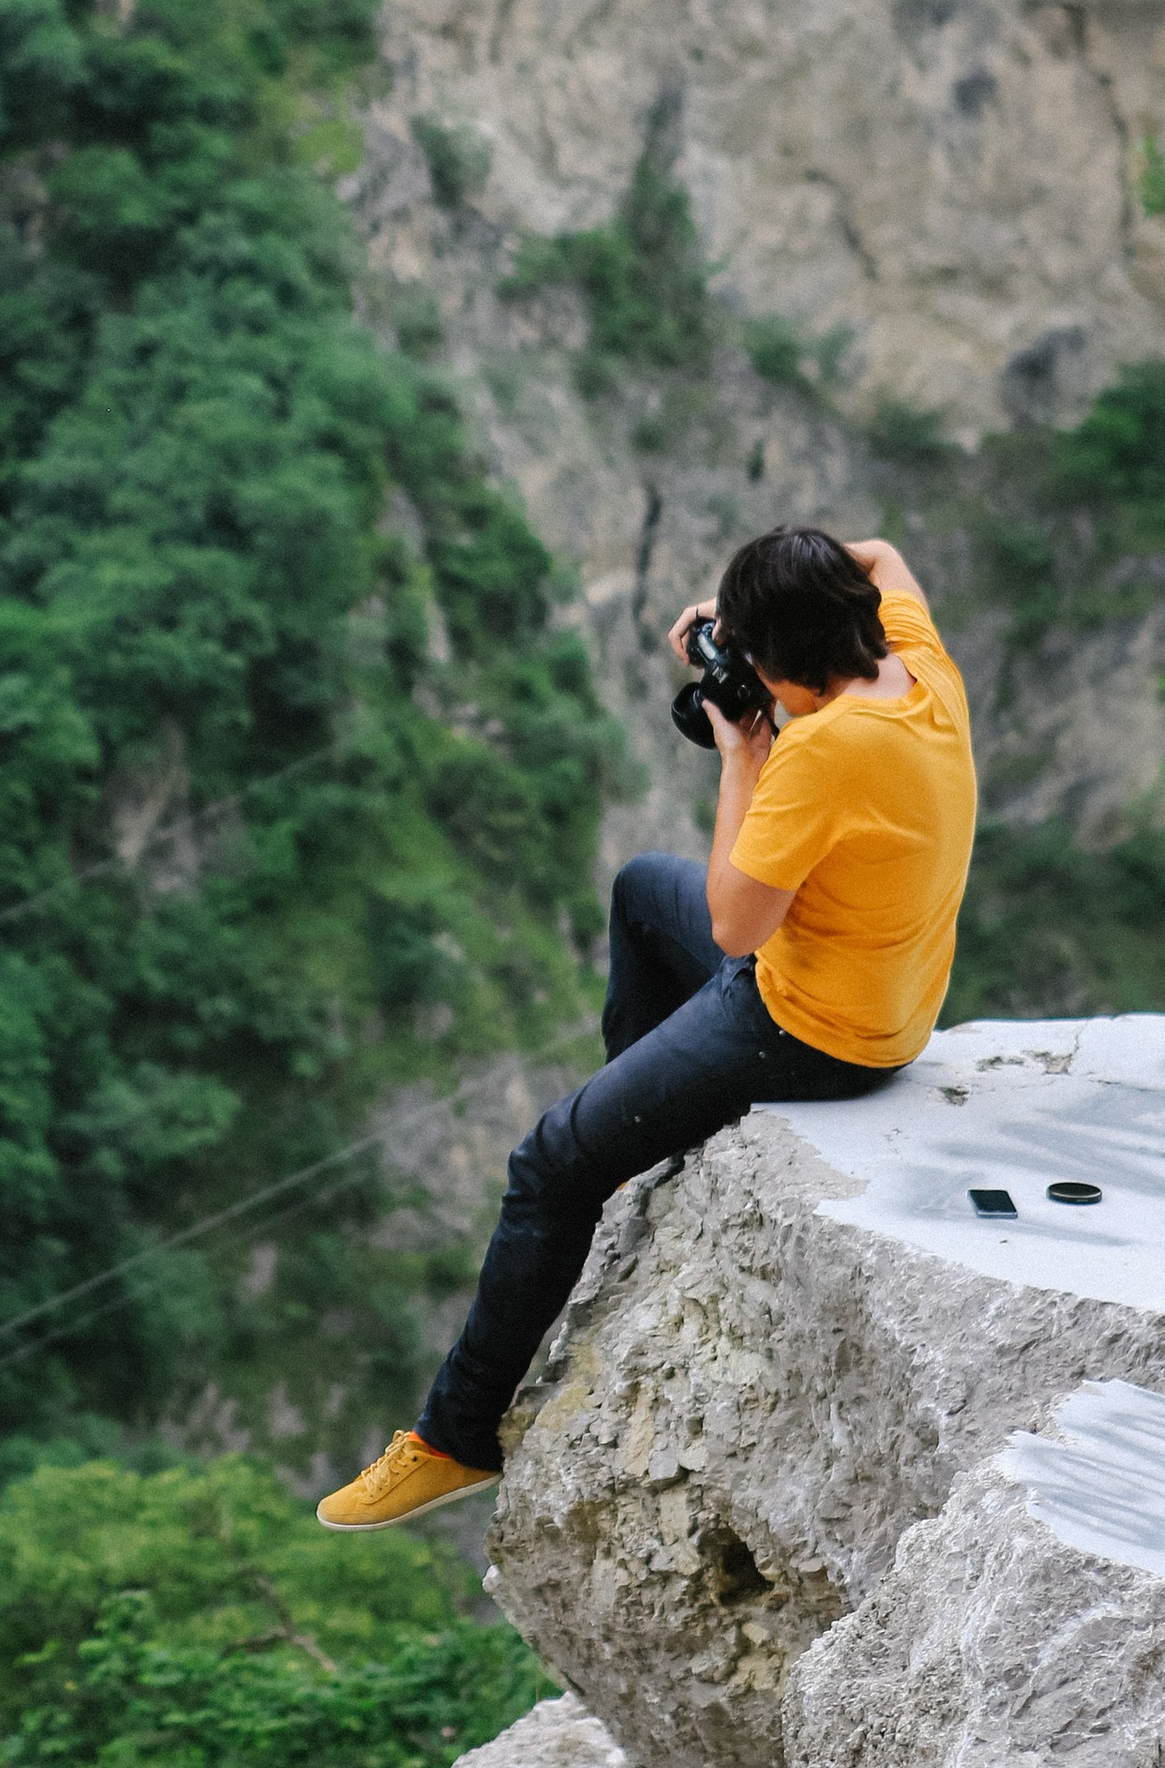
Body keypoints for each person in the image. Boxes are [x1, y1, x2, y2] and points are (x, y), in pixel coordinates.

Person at [317, 525, 977, 1533]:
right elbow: (882, 550)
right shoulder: (918, 667)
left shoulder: (826, 751)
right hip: (893, 1001)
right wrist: (745, 616)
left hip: (809, 1028)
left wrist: (741, 753)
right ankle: (632, 1137)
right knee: (637, 889)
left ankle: (451, 1441)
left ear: (781, 668)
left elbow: (732, 925)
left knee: (545, 1163)